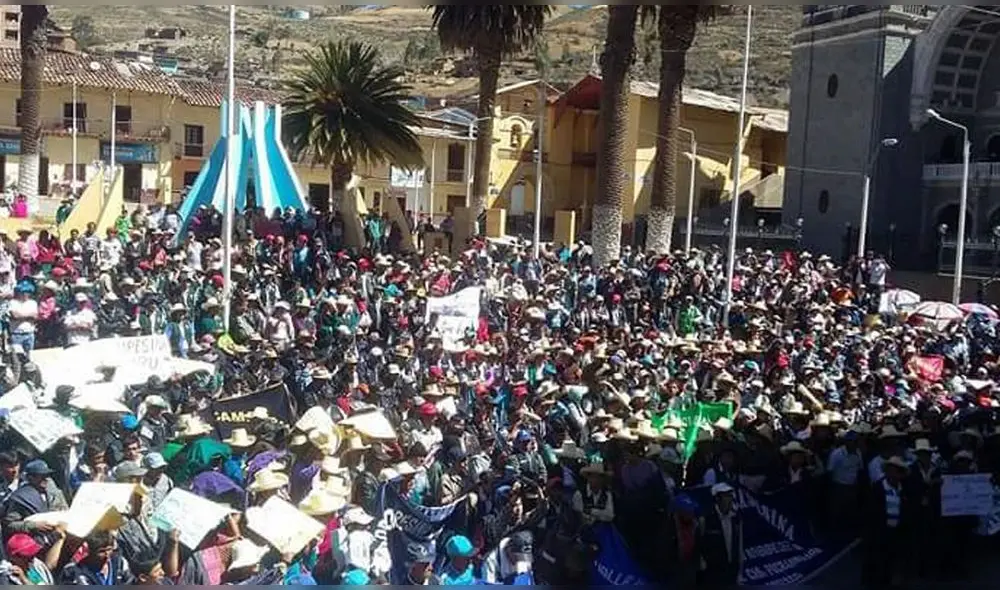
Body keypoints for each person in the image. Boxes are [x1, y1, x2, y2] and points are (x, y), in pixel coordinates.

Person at [699, 483, 742, 588]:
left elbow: (739, 544)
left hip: (731, 571)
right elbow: (699, 543)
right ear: (717, 499)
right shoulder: (706, 519)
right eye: (726, 496)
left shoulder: (736, 519)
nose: (729, 500)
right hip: (713, 573)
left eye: (730, 496)